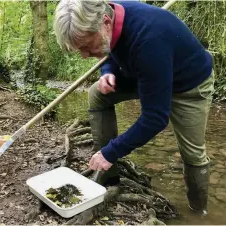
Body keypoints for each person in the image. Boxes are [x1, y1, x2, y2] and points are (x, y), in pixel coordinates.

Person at [53, 0, 214, 216]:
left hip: (189, 87)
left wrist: (112, 151)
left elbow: (155, 118)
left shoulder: (149, 40)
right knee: (97, 94)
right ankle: (108, 175)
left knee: (193, 154)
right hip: (146, 73)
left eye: (86, 46)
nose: (84, 55)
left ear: (106, 22)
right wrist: (107, 70)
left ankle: (199, 212)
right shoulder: (106, 13)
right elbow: (112, 47)